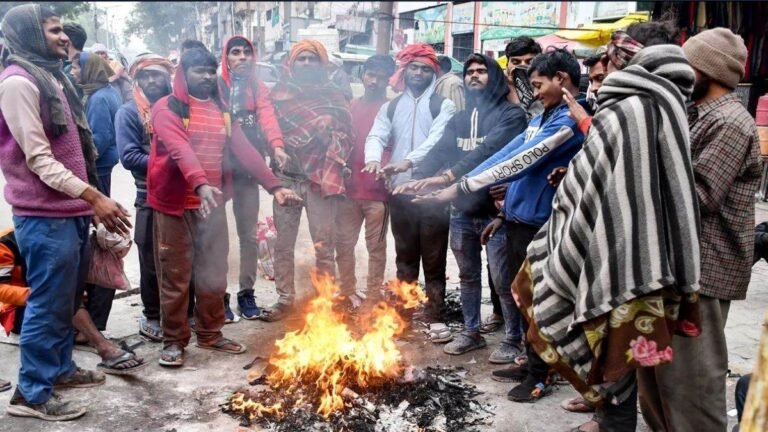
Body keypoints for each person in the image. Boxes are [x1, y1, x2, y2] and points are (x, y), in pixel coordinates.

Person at [510, 34, 701, 432]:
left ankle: (614, 423)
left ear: (625, 63)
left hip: (614, 252)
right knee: (625, 358)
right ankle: (613, 421)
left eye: (606, 70)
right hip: (650, 257)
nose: (600, 80)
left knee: (612, 353)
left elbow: (596, 180)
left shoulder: (628, 109)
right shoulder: (671, 103)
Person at [414, 49, 589, 402]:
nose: (534, 93)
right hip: (518, 220)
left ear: (562, 80)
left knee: (541, 303)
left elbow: (521, 161)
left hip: (544, 224)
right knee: (525, 299)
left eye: (538, 85)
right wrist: (458, 182)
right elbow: (505, 154)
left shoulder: (568, 120)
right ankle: (532, 361)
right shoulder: (543, 116)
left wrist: (459, 188)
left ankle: (541, 375)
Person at [0, 4, 132, 420]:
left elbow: (73, 150)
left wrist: (85, 204)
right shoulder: (18, 83)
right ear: (30, 36)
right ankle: (31, 394)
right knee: (47, 304)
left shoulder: (53, 76)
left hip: (68, 211)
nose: (64, 37)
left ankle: (59, 370)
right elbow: (39, 159)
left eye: (63, 30)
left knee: (67, 300)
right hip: (43, 217)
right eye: (54, 31)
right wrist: (94, 197)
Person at [636, 27, 761, 432]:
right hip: (676, 266)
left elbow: (699, 197)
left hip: (705, 271)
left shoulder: (729, 122)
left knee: (690, 386)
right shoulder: (695, 114)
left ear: (706, 70)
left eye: (685, 64)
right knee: (655, 378)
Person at [148, 48, 300, 367]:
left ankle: (210, 333)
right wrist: (200, 184)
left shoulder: (221, 108)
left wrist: (275, 186)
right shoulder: (167, 108)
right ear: (183, 74)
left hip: (212, 204)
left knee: (214, 273)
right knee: (176, 276)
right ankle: (173, 340)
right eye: (198, 71)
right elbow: (179, 149)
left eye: (210, 71)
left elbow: (243, 149)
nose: (206, 77)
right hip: (176, 206)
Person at [394, 53, 527, 362]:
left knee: (503, 281)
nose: (474, 76)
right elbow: (440, 151)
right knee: (467, 276)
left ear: (495, 77)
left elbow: (486, 153)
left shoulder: (511, 115)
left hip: (497, 213)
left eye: (481, 71)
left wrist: (446, 177)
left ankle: (513, 338)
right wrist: (417, 179)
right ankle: (471, 333)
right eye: (469, 72)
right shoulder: (460, 118)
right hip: (463, 211)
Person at [363, 43, 456, 338]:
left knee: (434, 257)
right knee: (404, 256)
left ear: (433, 73)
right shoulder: (391, 106)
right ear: (404, 71)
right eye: (413, 67)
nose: (418, 73)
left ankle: (435, 315)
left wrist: (408, 161)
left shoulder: (443, 105)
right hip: (400, 192)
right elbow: (377, 135)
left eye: (425, 69)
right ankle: (404, 315)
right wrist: (373, 159)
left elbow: (437, 142)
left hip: (433, 192)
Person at [261, 40, 352, 322]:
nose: (307, 63)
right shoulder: (278, 95)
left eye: (312, 59)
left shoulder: (334, 94)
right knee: (283, 244)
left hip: (320, 179)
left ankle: (325, 301)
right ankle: (285, 298)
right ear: (291, 63)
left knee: (324, 244)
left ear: (321, 63)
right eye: (301, 59)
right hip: (287, 178)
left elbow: (349, 134)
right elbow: (268, 132)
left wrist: (331, 136)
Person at [0, 228, 146, 376]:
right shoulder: (6, 244)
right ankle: (103, 346)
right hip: (22, 310)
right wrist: (40, 294)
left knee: (103, 269)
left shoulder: (61, 235)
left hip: (56, 298)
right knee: (61, 291)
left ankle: (85, 332)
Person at [116, 53, 188, 341]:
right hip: (148, 196)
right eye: (144, 76)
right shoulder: (129, 113)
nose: (150, 80)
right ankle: (152, 315)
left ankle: (186, 313)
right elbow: (129, 157)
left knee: (185, 259)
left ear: (168, 76)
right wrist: (177, 161)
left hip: (184, 195)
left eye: (156, 74)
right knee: (150, 259)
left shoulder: (181, 107)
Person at [217, 36, 285, 321]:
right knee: (216, 237)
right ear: (226, 57)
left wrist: (277, 146)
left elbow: (268, 118)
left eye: (247, 52)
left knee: (248, 235)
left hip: (248, 170)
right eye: (235, 52)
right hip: (219, 171)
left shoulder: (258, 88)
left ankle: (246, 293)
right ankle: (218, 295)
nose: (242, 57)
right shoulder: (215, 85)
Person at [335, 54, 396, 309]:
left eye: (381, 77)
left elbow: (396, 147)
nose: (374, 81)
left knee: (376, 248)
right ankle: (346, 291)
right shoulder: (351, 107)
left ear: (389, 80)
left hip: (378, 196)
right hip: (348, 192)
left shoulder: (392, 109)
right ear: (362, 75)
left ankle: (372, 295)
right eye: (371, 75)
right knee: (343, 245)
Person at [71, 51, 124, 334]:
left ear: (89, 69)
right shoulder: (104, 92)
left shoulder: (99, 98)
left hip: (98, 168)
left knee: (99, 227)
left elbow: (99, 138)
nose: (73, 72)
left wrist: (83, 166)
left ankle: (91, 314)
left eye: (76, 67)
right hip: (103, 165)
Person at [504, 36, 543, 119]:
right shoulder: (499, 87)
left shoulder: (544, 90)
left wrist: (512, 91)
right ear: (507, 65)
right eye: (516, 62)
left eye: (529, 62)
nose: (523, 65)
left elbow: (533, 122)